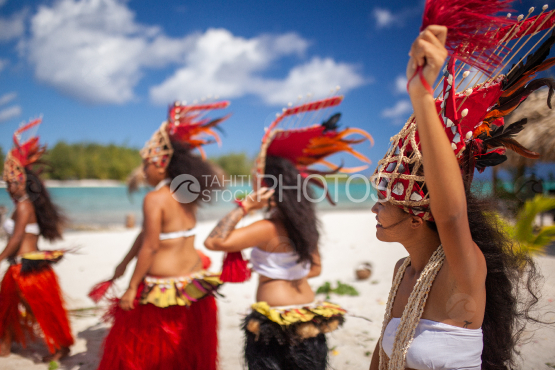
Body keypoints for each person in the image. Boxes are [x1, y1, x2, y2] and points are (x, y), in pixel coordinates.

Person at [369, 19, 555, 370]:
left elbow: (451, 214)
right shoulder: (402, 271)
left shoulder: (462, 267)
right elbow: (382, 353)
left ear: (416, 217)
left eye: (384, 201)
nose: (374, 209)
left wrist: (422, 95)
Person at [205, 96, 373, 370]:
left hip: (275, 321)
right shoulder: (305, 227)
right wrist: (283, 267)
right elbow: (315, 269)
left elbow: (214, 241)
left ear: (269, 188)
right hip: (309, 313)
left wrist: (244, 206)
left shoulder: (266, 228)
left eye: (255, 181)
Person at [97, 100, 230, 370]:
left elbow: (151, 247)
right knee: (185, 352)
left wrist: (133, 287)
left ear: (160, 165)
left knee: (142, 353)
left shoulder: (155, 198)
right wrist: (123, 264)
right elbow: (146, 236)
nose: (143, 171)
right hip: (193, 283)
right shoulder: (187, 194)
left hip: (162, 288)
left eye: (145, 165)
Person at [0, 118, 74, 361]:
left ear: (23, 182)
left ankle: (61, 346)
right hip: (18, 267)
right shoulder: (21, 206)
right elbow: (14, 234)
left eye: (12, 183)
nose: (9, 188)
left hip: (27, 268)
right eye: (7, 184)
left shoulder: (23, 207)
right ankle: (5, 345)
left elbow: (17, 238)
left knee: (39, 310)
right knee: (6, 309)